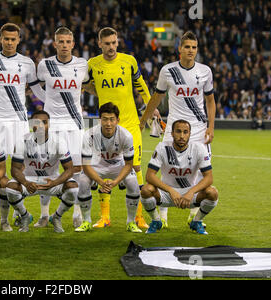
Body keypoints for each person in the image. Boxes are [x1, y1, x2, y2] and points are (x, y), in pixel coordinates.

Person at [0, 22, 45, 226]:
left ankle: (18, 214)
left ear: (19, 40)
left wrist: (55, 100)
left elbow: (37, 90)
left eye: (13, 39)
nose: (10, 42)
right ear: (0, 39)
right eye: (6, 39)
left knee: (20, 168)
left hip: (19, 121)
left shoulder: (28, 63)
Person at [139, 31, 216, 228]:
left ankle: (194, 215)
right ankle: (162, 217)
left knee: (199, 172)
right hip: (173, 128)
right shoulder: (168, 71)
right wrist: (144, 119)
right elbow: (157, 97)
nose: (191, 50)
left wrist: (211, 126)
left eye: (194, 47)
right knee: (164, 168)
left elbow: (210, 100)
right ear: (179, 49)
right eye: (187, 47)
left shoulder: (205, 71)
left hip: (198, 128)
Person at [86, 27, 152, 229]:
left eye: (114, 42)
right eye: (107, 43)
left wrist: (151, 109)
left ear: (118, 42)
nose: (111, 47)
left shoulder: (129, 61)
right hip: (106, 123)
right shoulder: (92, 65)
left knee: (137, 167)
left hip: (130, 121)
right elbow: (85, 85)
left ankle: (139, 217)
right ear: (100, 44)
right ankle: (104, 217)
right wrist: (99, 92)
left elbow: (141, 85)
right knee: (105, 166)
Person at [35, 26, 90, 228]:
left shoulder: (82, 65)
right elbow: (35, 86)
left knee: (76, 169)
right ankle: (44, 215)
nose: (65, 45)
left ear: (73, 44)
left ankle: (76, 214)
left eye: (68, 42)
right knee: (47, 169)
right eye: (61, 41)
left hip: (75, 124)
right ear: (55, 43)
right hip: (51, 125)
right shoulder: (44, 65)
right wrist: (46, 100)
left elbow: (89, 85)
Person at [5, 110, 79, 233]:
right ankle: (25, 216)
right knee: (10, 188)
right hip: (29, 180)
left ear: (49, 124)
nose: (40, 126)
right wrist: (26, 182)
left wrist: (54, 183)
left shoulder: (58, 141)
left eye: (44, 122)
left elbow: (70, 169)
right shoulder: (22, 141)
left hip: (52, 180)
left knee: (73, 188)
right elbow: (14, 169)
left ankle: (56, 217)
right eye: (36, 122)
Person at [140, 120, 218, 235]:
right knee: (146, 190)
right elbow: (149, 176)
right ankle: (156, 221)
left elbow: (209, 178)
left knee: (212, 193)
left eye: (185, 132)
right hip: (166, 194)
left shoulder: (199, 148)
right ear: (171, 133)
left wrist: (191, 192)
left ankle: (197, 221)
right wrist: (171, 190)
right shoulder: (162, 147)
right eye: (178, 131)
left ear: (190, 134)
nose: (182, 136)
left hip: (189, 195)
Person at [75, 102, 142, 233]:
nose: (108, 123)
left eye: (112, 119)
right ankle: (86, 222)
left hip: (118, 165)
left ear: (118, 120)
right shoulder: (89, 135)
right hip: (96, 165)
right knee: (82, 182)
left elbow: (129, 165)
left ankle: (131, 222)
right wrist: (101, 182)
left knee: (134, 184)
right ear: (100, 119)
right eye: (105, 119)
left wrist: (116, 182)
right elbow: (86, 165)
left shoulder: (126, 135)